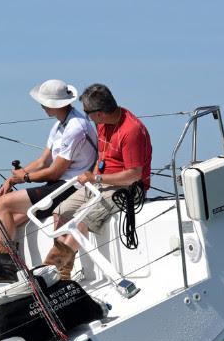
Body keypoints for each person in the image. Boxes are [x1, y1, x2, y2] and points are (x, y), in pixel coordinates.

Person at [44, 83, 152, 279]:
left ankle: (55, 271)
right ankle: (63, 273)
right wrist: (93, 179)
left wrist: (96, 178)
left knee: (82, 219)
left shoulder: (131, 131)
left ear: (100, 113)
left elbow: (134, 175)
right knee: (60, 212)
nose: (85, 116)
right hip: (100, 182)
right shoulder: (101, 123)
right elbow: (102, 156)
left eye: (87, 113)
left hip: (129, 188)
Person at [0, 79, 97, 244]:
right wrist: (14, 177)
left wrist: (23, 178)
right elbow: (42, 162)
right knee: (8, 215)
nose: (41, 106)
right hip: (58, 185)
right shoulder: (59, 125)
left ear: (55, 104)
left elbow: (55, 171)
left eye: (44, 103)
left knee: (1, 204)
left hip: (71, 187)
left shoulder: (75, 127)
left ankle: (3, 263)